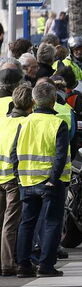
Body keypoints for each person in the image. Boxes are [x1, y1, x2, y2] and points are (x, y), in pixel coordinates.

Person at [13, 80, 70, 277]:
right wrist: (53, 179)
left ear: (34, 101)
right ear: (53, 101)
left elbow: (14, 152)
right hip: (50, 182)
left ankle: (23, 265)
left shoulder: (24, 122)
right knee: (52, 222)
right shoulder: (58, 123)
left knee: (27, 223)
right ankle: (46, 265)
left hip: (27, 181)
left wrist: (18, 177)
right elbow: (60, 156)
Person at [0, 84, 31, 276]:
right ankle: (7, 264)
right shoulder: (25, 124)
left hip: (1, 175)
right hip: (13, 178)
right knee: (11, 223)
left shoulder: (3, 121)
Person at [56, 35, 82, 102]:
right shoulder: (65, 63)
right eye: (76, 49)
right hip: (76, 102)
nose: (79, 51)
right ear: (71, 50)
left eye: (81, 49)